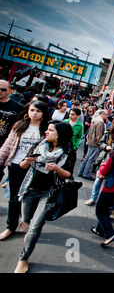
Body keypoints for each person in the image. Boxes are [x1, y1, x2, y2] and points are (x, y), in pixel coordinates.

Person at [13, 121, 73, 273]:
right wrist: (27, 161)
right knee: (26, 219)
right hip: (30, 189)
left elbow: (68, 175)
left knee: (34, 227)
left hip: (49, 193)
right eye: (47, 129)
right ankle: (27, 226)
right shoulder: (39, 146)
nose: (46, 132)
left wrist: (58, 169)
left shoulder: (67, 152)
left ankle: (23, 258)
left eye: (51, 130)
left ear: (59, 135)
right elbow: (22, 165)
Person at [0, 101, 49, 241]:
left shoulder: (46, 129)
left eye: (38, 111)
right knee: (13, 197)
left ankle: (26, 221)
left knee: (29, 198)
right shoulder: (19, 125)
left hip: (35, 169)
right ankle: (10, 226)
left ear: (43, 113)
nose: (34, 113)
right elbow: (7, 145)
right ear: (28, 110)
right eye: (32, 110)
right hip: (16, 165)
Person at [85, 116, 114, 205]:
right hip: (105, 159)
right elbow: (101, 142)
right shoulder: (109, 133)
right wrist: (105, 147)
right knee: (98, 180)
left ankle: (104, 201)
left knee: (110, 182)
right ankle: (93, 198)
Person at [0, 79, 24, 183]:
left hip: (3, 146)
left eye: (3, 89)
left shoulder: (18, 107)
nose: (0, 91)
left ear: (10, 91)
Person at [78, 109, 107, 181]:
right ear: (102, 114)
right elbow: (99, 135)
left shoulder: (95, 121)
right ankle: (86, 173)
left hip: (91, 142)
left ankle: (81, 172)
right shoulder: (100, 122)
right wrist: (100, 144)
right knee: (91, 159)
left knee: (87, 158)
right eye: (106, 114)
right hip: (95, 143)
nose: (107, 116)